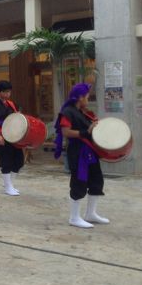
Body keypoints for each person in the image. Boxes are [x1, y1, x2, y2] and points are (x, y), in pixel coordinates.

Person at [54, 83, 109, 229]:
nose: (88, 98)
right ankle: (74, 217)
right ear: (79, 97)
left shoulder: (83, 111)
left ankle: (90, 214)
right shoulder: (67, 112)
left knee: (97, 180)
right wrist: (86, 132)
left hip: (90, 151)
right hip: (78, 152)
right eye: (86, 96)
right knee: (79, 182)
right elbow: (66, 132)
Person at [0, 80, 25, 196]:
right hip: (1, 136)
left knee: (19, 161)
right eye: (5, 92)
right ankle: (8, 187)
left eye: (9, 92)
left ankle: (10, 184)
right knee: (6, 162)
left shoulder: (11, 104)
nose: (8, 94)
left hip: (14, 136)